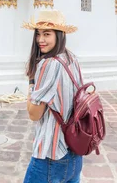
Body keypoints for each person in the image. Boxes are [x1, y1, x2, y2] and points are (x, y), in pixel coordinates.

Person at [22, 10, 83, 183]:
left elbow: (34, 114)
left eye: (47, 34)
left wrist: (31, 84)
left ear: (59, 35)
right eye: (38, 34)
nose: (40, 40)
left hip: (51, 155)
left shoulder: (48, 64)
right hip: (74, 152)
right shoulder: (72, 58)